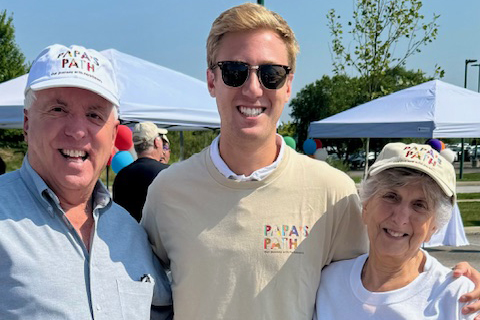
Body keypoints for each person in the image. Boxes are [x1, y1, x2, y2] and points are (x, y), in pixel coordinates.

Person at [141, 4, 369, 319]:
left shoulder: (333, 193)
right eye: (234, 72)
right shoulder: (168, 191)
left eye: (270, 74)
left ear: (288, 85)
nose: (252, 88)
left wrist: (448, 283)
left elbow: (372, 289)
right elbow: (134, 292)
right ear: (211, 81)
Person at [0, 44, 172, 319]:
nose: (78, 131)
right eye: (58, 109)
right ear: (27, 123)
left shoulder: (130, 233)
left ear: (114, 133)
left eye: (94, 115)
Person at [314, 142, 475, 319]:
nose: (400, 217)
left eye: (419, 205)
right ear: (366, 206)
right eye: (391, 196)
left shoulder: (457, 296)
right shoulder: (328, 282)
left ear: (434, 226)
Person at [113, 122, 169, 222]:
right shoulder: (166, 173)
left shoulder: (121, 175)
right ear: (157, 142)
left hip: (129, 235)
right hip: (157, 236)